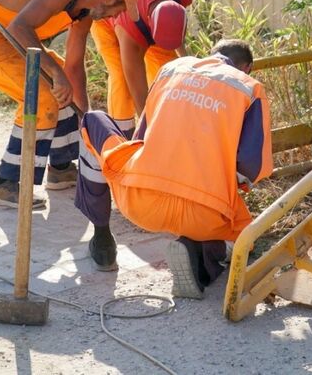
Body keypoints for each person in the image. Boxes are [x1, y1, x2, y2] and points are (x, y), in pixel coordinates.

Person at [75, 39, 273, 299]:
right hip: (205, 214)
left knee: (92, 121)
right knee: (242, 239)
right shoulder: (249, 87)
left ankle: (102, 240)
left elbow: (141, 137)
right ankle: (198, 252)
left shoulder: (171, 69)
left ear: (210, 54)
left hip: (139, 202)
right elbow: (252, 166)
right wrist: (224, 184)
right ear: (246, 68)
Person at [0, 0, 142, 209]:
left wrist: (85, 122)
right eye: (120, 9)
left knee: (61, 84)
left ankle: (61, 168)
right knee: (42, 95)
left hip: (8, 37)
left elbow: (73, 68)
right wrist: (55, 73)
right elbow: (19, 27)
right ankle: (4, 183)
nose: (116, 16)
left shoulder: (83, 12)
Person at [89, 0, 194, 137]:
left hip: (144, 0)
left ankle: (170, 124)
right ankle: (123, 135)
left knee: (167, 75)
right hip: (107, 14)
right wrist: (146, 135)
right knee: (121, 77)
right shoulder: (131, 33)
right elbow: (140, 96)